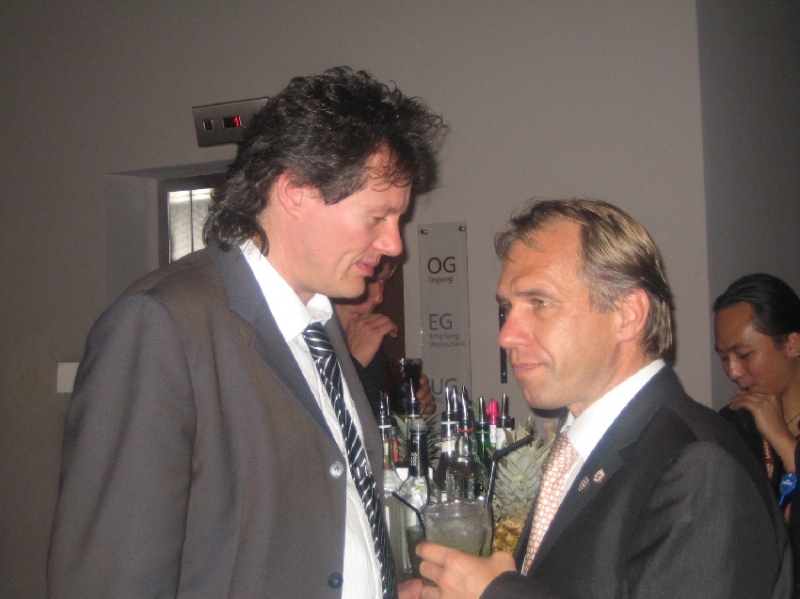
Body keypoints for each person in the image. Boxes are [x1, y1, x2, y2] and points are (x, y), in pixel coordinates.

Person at [48, 67, 443, 599]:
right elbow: (112, 577)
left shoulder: (319, 324)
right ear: (295, 191)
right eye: (378, 217)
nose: (395, 244)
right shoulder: (161, 325)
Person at [416, 198, 792, 599]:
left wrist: (496, 594)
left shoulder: (698, 467)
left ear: (628, 314)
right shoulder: (585, 445)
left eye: (539, 303)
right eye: (508, 308)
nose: (506, 335)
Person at [713, 273, 800, 598]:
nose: (733, 372)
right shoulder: (732, 425)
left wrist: (784, 443)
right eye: (724, 358)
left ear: (792, 343)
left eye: (744, 355)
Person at [333, 257, 436, 420]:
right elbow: (312, 424)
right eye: (367, 280)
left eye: (382, 281)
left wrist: (410, 413)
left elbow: (373, 425)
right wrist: (353, 362)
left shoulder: (369, 345)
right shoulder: (298, 342)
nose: (378, 297)